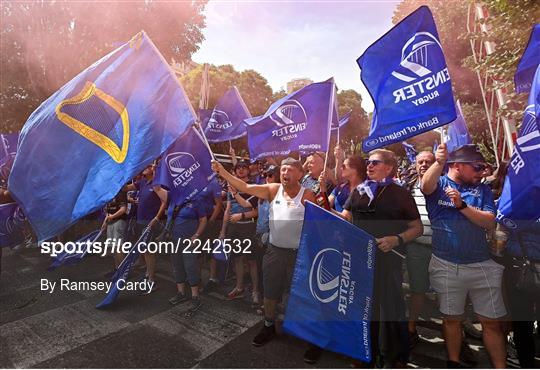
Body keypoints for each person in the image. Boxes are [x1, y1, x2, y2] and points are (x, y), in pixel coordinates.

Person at [211, 157, 317, 347]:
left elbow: (321, 223)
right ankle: (268, 325)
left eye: (291, 169)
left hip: (298, 255)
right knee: (270, 291)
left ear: (300, 174)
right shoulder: (273, 189)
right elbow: (244, 187)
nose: (285, 173)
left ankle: (308, 335)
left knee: (301, 294)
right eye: (283, 169)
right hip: (274, 252)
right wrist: (222, 172)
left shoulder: (308, 195)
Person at [421, 144, 506, 368]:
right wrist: (438, 163)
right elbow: (425, 185)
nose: (480, 173)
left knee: (492, 323)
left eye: (482, 168)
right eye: (476, 167)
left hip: (482, 265)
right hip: (446, 264)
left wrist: (462, 206)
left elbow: (489, 221)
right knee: (451, 319)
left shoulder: (483, 189)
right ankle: (454, 362)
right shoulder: (439, 184)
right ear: (457, 165)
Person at [338, 148, 423, 368]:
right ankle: (365, 354)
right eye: (368, 162)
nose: (369, 166)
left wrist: (397, 239)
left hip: (388, 262)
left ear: (389, 167)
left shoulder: (401, 193)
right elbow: (345, 218)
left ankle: (392, 358)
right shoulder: (359, 190)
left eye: (375, 162)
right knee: (363, 309)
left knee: (388, 312)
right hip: (359, 261)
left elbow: (417, 228)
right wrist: (318, 206)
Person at [496, 218, 540, 368]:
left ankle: (526, 363)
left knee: (522, 325)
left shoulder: (515, 199)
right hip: (522, 268)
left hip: (520, 268)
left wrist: (497, 251)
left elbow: (500, 233)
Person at [218, 159, 259, 303]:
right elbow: (228, 209)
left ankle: (255, 291)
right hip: (233, 227)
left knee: (252, 261)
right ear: (234, 171)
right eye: (238, 168)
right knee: (237, 259)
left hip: (248, 226)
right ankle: (239, 287)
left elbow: (256, 211)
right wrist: (223, 231)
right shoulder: (231, 185)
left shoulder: (253, 186)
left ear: (248, 169)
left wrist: (241, 215)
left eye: (244, 167)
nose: (241, 170)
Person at [406, 151, 435, 348]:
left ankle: (458, 339)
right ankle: (410, 330)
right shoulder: (407, 188)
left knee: (449, 295)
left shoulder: (445, 188)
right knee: (417, 290)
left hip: (444, 249)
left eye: (428, 162)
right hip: (416, 248)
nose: (424, 165)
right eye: (420, 162)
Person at [124, 164, 166, 293]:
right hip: (140, 220)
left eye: (148, 166)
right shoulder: (142, 182)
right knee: (144, 250)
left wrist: (157, 218)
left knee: (149, 252)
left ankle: (152, 281)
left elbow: (165, 201)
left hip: (150, 222)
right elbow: (126, 188)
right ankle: (148, 274)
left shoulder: (156, 183)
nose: (144, 168)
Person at [167, 196, 208, 315]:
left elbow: (203, 219)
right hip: (174, 239)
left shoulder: (196, 200)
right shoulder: (174, 199)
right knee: (177, 266)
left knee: (190, 267)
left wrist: (196, 235)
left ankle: (196, 296)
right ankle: (181, 293)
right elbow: (158, 189)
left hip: (188, 240)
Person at [101, 188, 128, 270]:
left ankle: (124, 270)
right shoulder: (109, 193)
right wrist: (105, 222)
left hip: (119, 221)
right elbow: (108, 212)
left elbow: (123, 209)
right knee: (113, 247)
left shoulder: (121, 193)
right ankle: (118, 269)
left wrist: (112, 217)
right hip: (111, 222)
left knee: (118, 247)